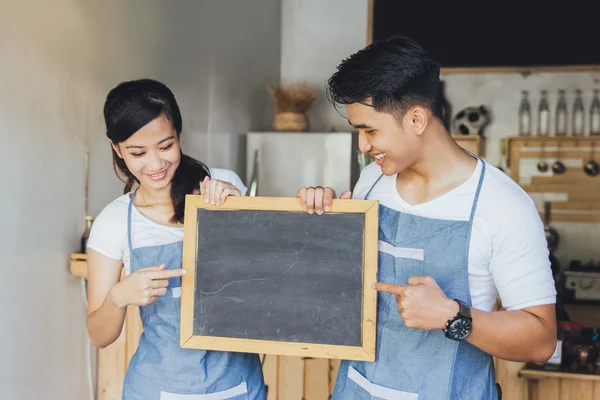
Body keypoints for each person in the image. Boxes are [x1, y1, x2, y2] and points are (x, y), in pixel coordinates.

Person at [296, 36, 557, 399]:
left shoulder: (503, 206)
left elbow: (541, 340)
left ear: (416, 119)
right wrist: (326, 222)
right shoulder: (372, 179)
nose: (363, 146)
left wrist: (453, 316)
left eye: (370, 130)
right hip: (357, 389)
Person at [85, 79, 266, 400]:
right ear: (117, 149)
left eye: (166, 146)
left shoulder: (222, 184)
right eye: (138, 153)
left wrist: (239, 213)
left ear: (179, 136)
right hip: (155, 389)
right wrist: (118, 297)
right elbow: (99, 337)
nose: (155, 165)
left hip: (238, 387)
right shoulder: (113, 222)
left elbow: (270, 281)